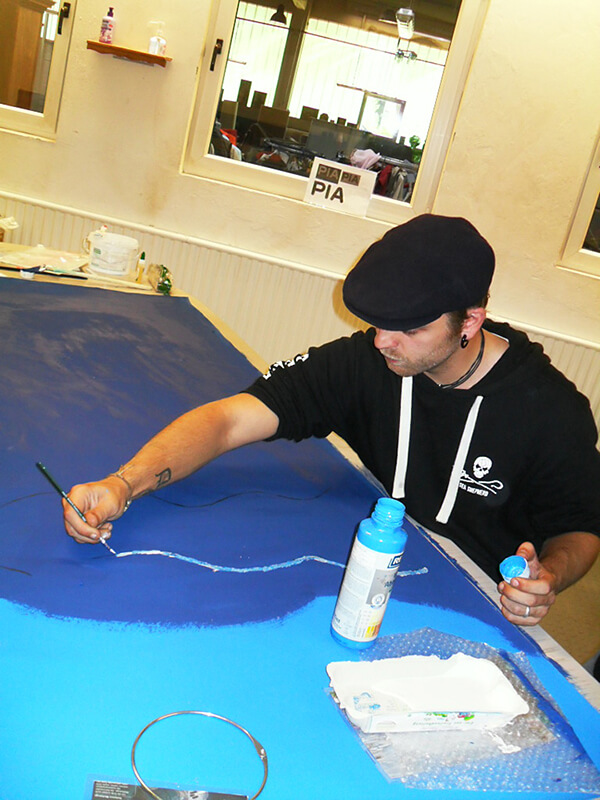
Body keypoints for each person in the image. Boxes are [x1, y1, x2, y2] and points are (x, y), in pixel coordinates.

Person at [63, 214, 600, 628]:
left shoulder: (550, 410)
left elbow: (581, 527)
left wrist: (549, 576)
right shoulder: (365, 362)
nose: (383, 342)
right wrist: (123, 484)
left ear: (471, 321)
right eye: (378, 324)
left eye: (409, 329)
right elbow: (227, 421)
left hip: (471, 608)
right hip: (359, 579)